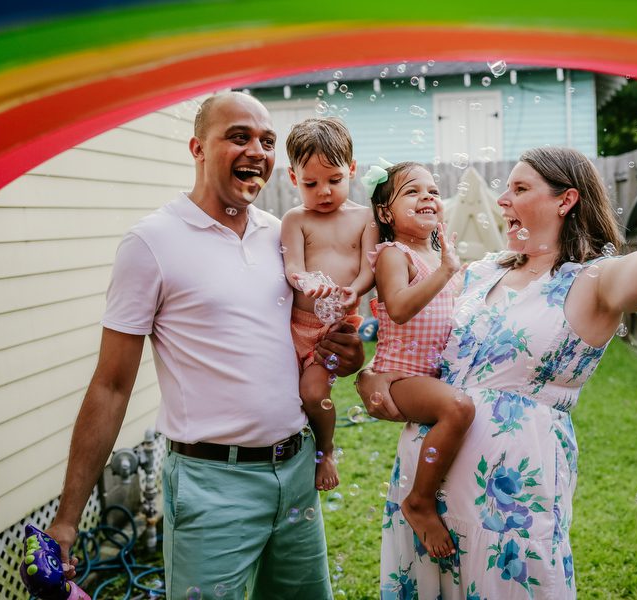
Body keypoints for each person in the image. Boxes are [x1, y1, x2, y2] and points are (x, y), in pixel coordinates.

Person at [357, 111, 637, 599]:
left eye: (518, 188)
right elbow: (415, 341)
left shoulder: (592, 282)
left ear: (565, 200)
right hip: (422, 485)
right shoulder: (479, 273)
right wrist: (373, 374)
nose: (502, 199)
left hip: (508, 503)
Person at [44, 91, 364, 600]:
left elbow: (306, 343)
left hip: (296, 470)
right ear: (197, 147)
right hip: (212, 484)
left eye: (266, 140)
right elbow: (110, 386)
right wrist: (66, 519)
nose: (256, 150)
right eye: (238, 137)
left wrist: (345, 356)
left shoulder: (282, 236)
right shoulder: (151, 243)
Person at [363, 161, 474, 558]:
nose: (427, 195)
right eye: (412, 191)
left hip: (431, 373)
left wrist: (451, 267)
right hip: (398, 375)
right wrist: (446, 271)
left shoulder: (442, 254)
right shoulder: (395, 254)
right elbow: (398, 308)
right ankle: (419, 502)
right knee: (457, 408)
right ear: (385, 213)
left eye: (432, 189)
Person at [281, 117, 378, 491]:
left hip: (337, 327)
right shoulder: (295, 219)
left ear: (351, 170)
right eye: (311, 183)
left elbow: (369, 266)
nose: (323, 191)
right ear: (293, 178)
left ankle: (326, 450)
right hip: (297, 325)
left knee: (312, 392)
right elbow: (293, 268)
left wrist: (354, 289)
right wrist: (306, 281)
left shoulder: (364, 218)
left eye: (334, 180)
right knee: (286, 398)